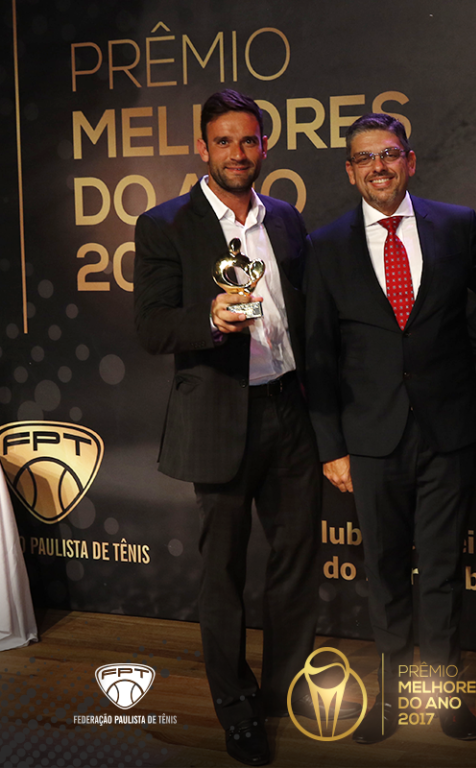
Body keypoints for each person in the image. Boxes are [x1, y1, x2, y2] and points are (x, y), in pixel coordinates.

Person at [134, 90, 356, 767]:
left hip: (290, 410)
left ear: (265, 146)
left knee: (296, 562)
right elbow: (152, 327)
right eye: (224, 141)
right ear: (202, 147)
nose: (238, 153)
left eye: (249, 140)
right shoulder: (165, 224)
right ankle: (235, 708)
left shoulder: (285, 218)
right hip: (220, 416)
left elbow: (307, 317)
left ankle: (283, 689)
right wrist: (210, 317)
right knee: (223, 574)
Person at [305, 113, 476, 744]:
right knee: (383, 572)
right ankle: (392, 694)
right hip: (370, 439)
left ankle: (441, 693)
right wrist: (331, 446)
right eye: (364, 158)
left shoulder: (458, 226)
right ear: (349, 171)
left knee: (441, 570)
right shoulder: (325, 245)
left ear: (410, 161)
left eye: (389, 153)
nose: (378, 166)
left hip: (447, 433)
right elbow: (318, 353)